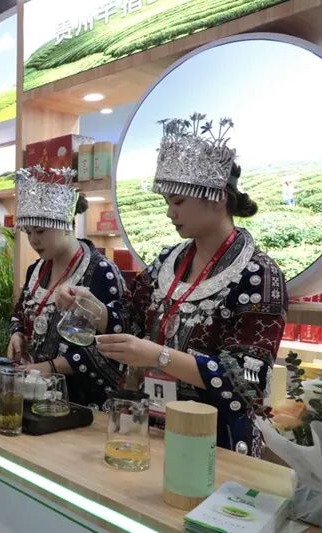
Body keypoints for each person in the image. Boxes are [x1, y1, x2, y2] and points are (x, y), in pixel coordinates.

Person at [59, 114, 287, 456]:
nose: (170, 213)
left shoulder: (258, 274)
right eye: (167, 203)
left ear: (216, 198)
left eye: (178, 202)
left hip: (213, 441)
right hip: (146, 428)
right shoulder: (168, 261)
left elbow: (246, 380)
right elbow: (130, 320)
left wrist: (159, 356)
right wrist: (92, 309)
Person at [8, 166, 126, 408]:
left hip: (82, 400)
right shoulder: (36, 270)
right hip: (35, 392)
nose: (33, 240)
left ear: (65, 224)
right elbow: (19, 314)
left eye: (40, 230)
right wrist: (16, 335)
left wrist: (51, 367)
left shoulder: (101, 272)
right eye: (28, 232)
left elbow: (113, 342)